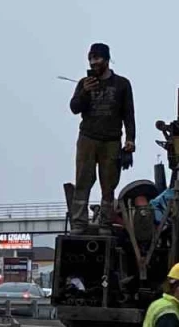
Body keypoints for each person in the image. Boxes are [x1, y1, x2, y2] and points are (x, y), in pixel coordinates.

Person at [69, 42, 136, 228]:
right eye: (91, 59)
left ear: (106, 60)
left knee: (109, 186)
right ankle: (79, 224)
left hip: (112, 141)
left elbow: (128, 114)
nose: (93, 63)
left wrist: (131, 140)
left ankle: (106, 223)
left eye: (97, 58)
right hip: (88, 139)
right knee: (83, 181)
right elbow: (74, 108)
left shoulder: (122, 84)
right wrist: (84, 92)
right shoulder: (84, 83)